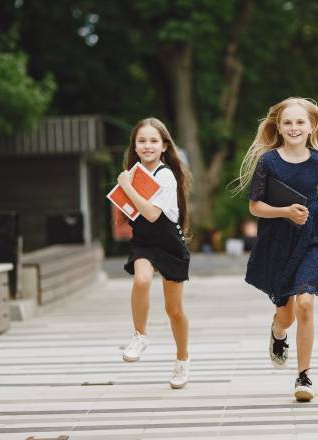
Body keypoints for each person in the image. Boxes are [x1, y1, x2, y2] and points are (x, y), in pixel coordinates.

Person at [233, 97, 318, 401]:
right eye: (288, 122)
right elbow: (255, 206)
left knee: (305, 304)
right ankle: (278, 333)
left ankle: (303, 376)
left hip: (313, 239)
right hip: (278, 242)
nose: (294, 127)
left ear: (311, 126)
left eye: (300, 122)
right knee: (286, 316)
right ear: (278, 127)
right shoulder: (268, 162)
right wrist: (285, 212)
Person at [116, 117, 191, 389]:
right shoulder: (132, 175)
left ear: (164, 146)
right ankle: (140, 335)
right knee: (141, 280)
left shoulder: (165, 175)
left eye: (153, 141)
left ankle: (182, 359)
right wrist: (125, 187)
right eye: (142, 141)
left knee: (174, 310)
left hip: (169, 244)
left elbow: (151, 213)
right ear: (134, 146)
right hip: (145, 243)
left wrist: (126, 186)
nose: (147, 146)